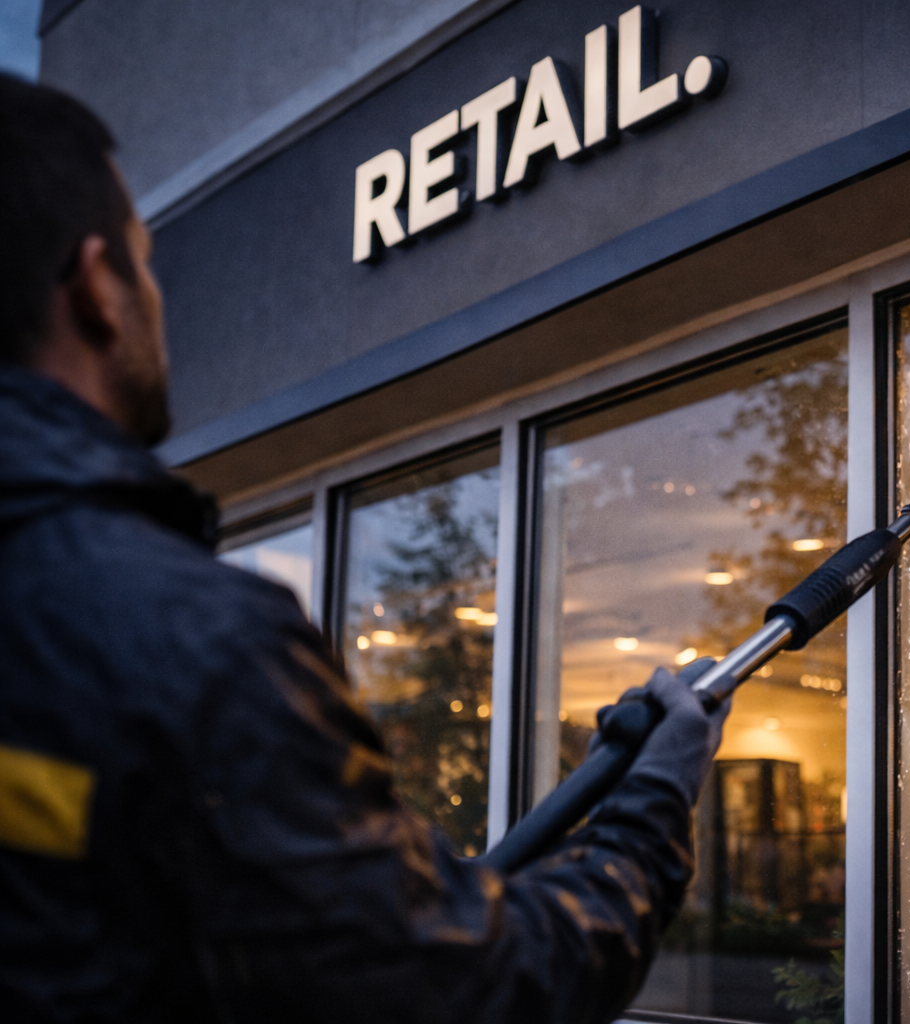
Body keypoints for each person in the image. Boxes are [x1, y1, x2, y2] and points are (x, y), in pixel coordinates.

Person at [0, 74, 730, 1022]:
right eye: (144, 262)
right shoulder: (192, 651)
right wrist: (654, 804)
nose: (154, 295)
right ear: (98, 285)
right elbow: (474, 994)